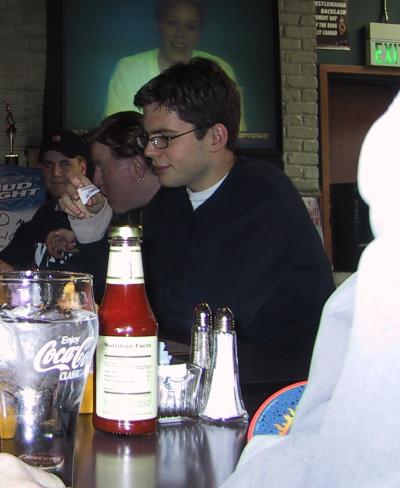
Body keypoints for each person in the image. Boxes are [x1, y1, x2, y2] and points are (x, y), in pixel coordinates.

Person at [222, 95, 400, 487]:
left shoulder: (382, 285)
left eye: (164, 139)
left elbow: (345, 462)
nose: (152, 151)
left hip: (276, 383)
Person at [134, 57, 334, 381]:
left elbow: (200, 314)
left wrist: (145, 304)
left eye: (164, 138)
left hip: (284, 390)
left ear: (216, 137)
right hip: (204, 374)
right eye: (148, 138)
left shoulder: (262, 196)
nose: (149, 150)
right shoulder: (165, 204)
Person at [104, 0, 244, 131]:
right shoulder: (128, 69)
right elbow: (115, 134)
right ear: (158, 25)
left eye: (191, 26)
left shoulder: (219, 69)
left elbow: (237, 133)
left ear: (199, 33)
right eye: (172, 23)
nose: (180, 34)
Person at [0, 129, 106, 293]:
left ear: (82, 167)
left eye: (65, 164)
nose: (55, 173)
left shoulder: (101, 210)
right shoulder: (44, 214)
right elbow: (6, 262)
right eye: (48, 165)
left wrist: (77, 241)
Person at [59, 111, 161, 242]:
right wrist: (90, 218)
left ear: (138, 167)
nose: (96, 181)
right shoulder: (130, 217)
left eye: (102, 169)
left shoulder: (177, 217)